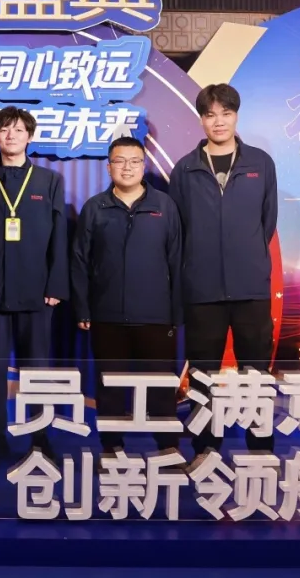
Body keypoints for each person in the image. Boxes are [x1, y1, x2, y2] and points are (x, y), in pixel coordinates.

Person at [168, 83, 278, 456]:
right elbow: (179, 228)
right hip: (202, 289)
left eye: (226, 113)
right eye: (210, 114)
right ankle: (205, 448)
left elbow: (266, 223)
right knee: (203, 374)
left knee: (256, 373)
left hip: (251, 288)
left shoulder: (260, 163)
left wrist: (245, 255)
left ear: (236, 116)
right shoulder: (185, 169)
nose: (218, 121)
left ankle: (261, 449)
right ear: (201, 120)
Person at [0, 106, 68, 464]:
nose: (11, 135)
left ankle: (40, 437)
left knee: (37, 370)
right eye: (4, 130)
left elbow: (59, 237)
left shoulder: (48, 181)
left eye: (19, 130)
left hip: (37, 292)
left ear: (30, 136)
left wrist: (56, 284)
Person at [71, 136, 183, 456]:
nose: (127, 167)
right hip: (107, 315)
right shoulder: (95, 207)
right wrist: (83, 309)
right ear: (109, 167)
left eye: (134, 161)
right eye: (119, 161)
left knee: (161, 386)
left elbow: (177, 261)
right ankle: (111, 447)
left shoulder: (165, 206)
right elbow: (79, 261)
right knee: (110, 386)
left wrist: (176, 313)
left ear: (144, 166)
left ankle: (167, 448)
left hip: (156, 316)